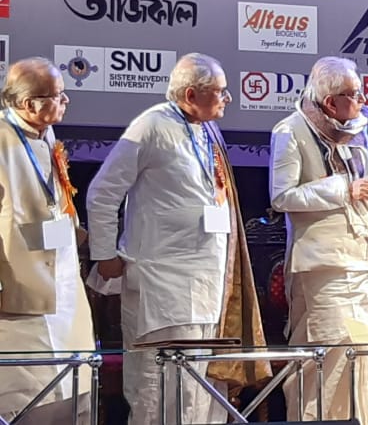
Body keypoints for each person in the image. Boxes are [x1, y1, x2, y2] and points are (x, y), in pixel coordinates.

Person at [87, 53, 269, 425]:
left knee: (205, 387)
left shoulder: (208, 130)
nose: (228, 98)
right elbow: (102, 193)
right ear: (191, 94)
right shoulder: (150, 126)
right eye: (220, 91)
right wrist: (105, 255)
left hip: (209, 287)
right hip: (162, 286)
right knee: (159, 386)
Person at [270, 57, 368, 425]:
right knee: (331, 360)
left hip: (365, 262)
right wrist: (345, 189)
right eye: (355, 95)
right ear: (331, 102)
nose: (363, 101)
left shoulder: (356, 129)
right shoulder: (290, 130)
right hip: (325, 267)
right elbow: (282, 196)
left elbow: (364, 182)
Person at [0, 57, 95, 424]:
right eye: (58, 95)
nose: (66, 101)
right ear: (29, 104)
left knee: (74, 382)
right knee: (31, 394)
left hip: (65, 281)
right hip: (22, 286)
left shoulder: (46, 132)